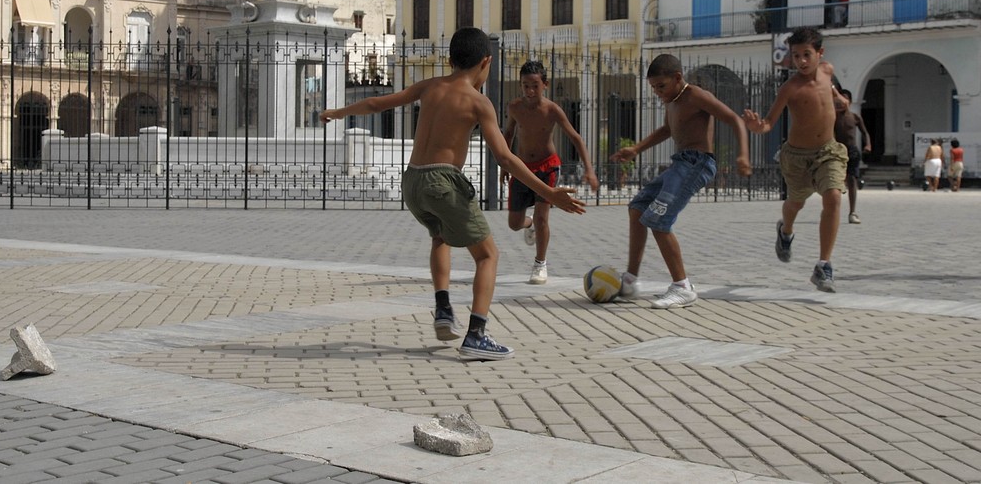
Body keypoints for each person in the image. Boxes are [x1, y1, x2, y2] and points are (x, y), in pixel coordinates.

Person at [320, 27, 585, 361]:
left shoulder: (431, 86)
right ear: (486, 62)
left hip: (412, 183)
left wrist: (337, 113)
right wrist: (550, 192)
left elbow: (376, 103)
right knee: (488, 256)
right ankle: (476, 335)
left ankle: (444, 308)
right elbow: (505, 157)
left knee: (440, 237)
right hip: (443, 182)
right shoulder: (479, 102)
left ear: (449, 59)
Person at [610, 53, 751, 308]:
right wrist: (637, 149)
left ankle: (682, 287)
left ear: (677, 78)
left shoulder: (695, 96)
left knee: (658, 220)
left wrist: (742, 154)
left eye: (661, 86)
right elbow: (667, 130)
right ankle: (630, 280)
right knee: (638, 207)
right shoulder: (672, 100)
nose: (657, 93)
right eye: (653, 88)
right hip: (680, 163)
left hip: (697, 163)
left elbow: (734, 120)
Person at [743, 26, 848, 293]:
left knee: (834, 197)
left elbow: (835, 97)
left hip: (827, 151)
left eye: (806, 54)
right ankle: (786, 230)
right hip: (797, 156)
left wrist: (840, 101)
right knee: (796, 203)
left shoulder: (827, 71)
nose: (801, 61)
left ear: (819, 54)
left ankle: (824, 265)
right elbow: (769, 122)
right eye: (796, 55)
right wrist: (758, 127)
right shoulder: (789, 88)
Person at [501, 60, 600, 285]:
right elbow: (508, 134)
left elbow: (576, 138)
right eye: (525, 85)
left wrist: (590, 170)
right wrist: (504, 165)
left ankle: (540, 264)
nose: (530, 91)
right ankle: (530, 226)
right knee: (514, 223)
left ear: (545, 84)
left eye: (535, 85)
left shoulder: (552, 110)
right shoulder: (515, 107)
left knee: (542, 216)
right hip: (521, 168)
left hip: (547, 166)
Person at [833, 89, 871, 223]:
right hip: (837, 151)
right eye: (839, 99)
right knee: (834, 182)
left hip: (852, 150)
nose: (841, 102)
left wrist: (868, 145)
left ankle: (852, 212)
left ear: (849, 101)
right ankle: (832, 211)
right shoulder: (833, 116)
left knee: (852, 180)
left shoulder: (855, 117)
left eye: (844, 99)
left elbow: (865, 132)